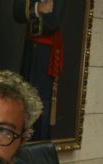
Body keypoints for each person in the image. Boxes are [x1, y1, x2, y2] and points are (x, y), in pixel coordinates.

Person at [13, 0, 67, 140]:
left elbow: (52, 22)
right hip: (30, 48)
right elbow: (18, 12)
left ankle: (38, 148)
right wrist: (38, 8)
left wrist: (31, 10)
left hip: (46, 52)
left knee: (42, 105)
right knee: (23, 99)